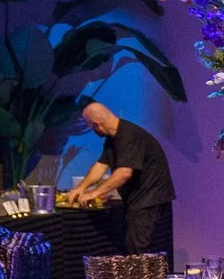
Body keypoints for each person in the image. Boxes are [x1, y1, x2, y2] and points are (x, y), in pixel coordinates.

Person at [61, 102, 176, 259]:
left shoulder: (129, 135)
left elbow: (124, 173)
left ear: (96, 125)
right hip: (139, 200)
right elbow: (101, 165)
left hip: (149, 199)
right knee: (133, 246)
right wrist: (81, 187)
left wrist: (94, 193)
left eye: (90, 126)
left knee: (138, 249)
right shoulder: (113, 138)